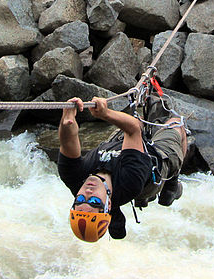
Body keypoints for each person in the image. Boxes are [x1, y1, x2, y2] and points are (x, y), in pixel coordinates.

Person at [58, 95, 187, 242]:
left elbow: (67, 141)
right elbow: (132, 130)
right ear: (108, 203)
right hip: (156, 162)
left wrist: (67, 119)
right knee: (177, 125)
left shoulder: (73, 177)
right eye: (94, 201)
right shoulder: (129, 181)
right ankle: (171, 186)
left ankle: (114, 218)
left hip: (118, 154)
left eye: (80, 199)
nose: (87, 192)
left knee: (136, 120)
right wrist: (104, 114)